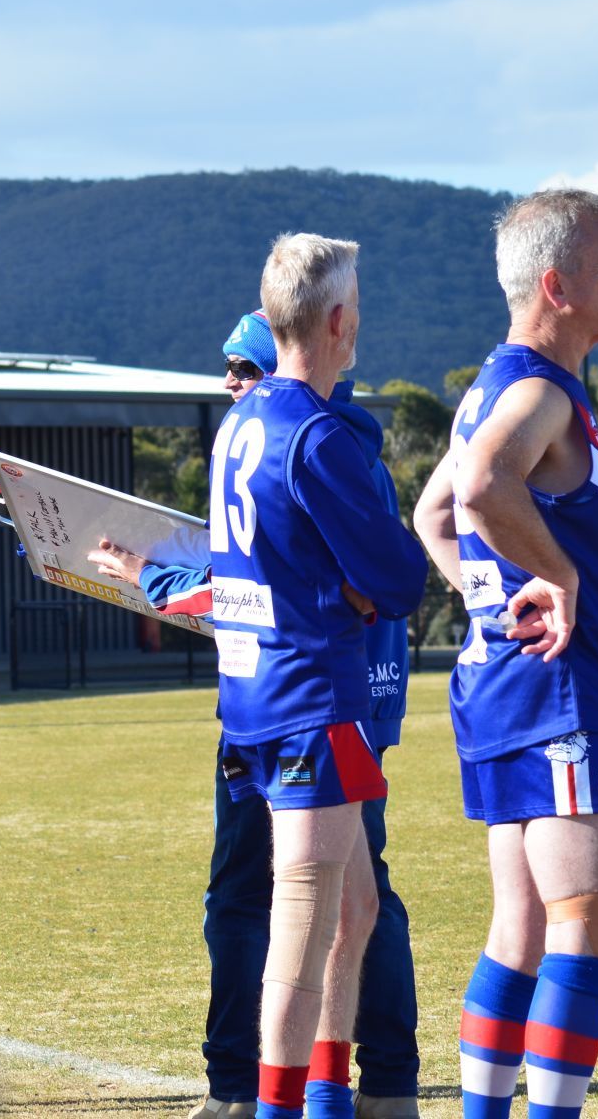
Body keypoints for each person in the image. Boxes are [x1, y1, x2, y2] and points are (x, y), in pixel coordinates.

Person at [93, 310, 422, 1119]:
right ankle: (353, 1086)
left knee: (299, 902)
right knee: (342, 900)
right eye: (232, 369)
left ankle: (286, 1090)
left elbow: (283, 592)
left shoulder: (311, 441)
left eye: (247, 366)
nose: (233, 383)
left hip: (308, 703)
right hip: (303, 701)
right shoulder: (292, 436)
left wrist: (149, 578)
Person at [411, 189, 598, 1119]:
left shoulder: (490, 388)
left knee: (526, 928)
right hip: (560, 695)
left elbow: (434, 513)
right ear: (557, 286)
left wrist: (491, 601)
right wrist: (558, 577)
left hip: (508, 689)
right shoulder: (540, 389)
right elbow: (478, 488)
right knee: (595, 925)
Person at [208, 237, 427, 1119]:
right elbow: (399, 580)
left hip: (253, 699)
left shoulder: (242, 417)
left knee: (354, 906)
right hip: (312, 701)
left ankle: (331, 1092)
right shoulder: (318, 431)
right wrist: (355, 583)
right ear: (339, 322)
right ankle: (282, 1107)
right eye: (357, 307)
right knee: (303, 916)